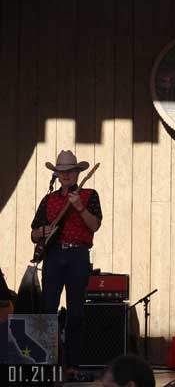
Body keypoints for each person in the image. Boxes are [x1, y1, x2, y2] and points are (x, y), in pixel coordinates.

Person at [30, 150, 102, 378]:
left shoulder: (90, 195)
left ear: (78, 173)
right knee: (47, 310)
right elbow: (33, 233)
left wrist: (80, 207)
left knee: (76, 312)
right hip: (52, 257)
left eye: (70, 171)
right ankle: (45, 364)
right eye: (62, 172)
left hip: (77, 256)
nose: (66, 175)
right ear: (57, 175)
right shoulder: (48, 199)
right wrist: (44, 230)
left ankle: (73, 365)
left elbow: (95, 226)